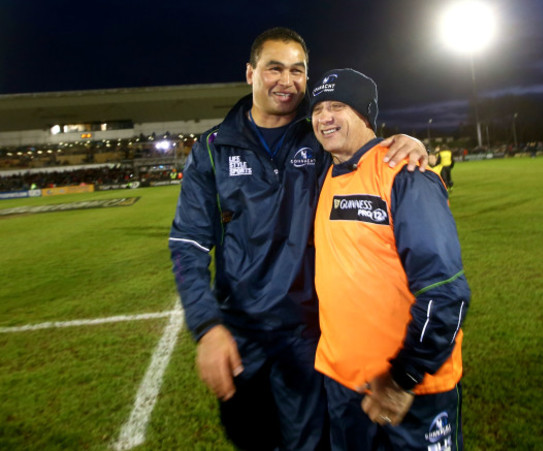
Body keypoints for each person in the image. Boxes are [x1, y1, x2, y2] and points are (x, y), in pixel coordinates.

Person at [168, 28, 428, 451]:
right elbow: (188, 243)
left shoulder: (321, 137)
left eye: (297, 71)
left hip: (310, 333)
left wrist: (408, 142)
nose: (286, 81)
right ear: (250, 73)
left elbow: (368, 151)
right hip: (240, 334)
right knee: (250, 439)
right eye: (274, 68)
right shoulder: (213, 149)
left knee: (312, 443)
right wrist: (207, 326)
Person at [311, 68, 470, 450]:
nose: (324, 117)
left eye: (338, 106)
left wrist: (404, 378)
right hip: (344, 385)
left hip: (408, 393)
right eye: (317, 109)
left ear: (366, 114)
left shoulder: (406, 175)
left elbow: (446, 294)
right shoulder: (326, 175)